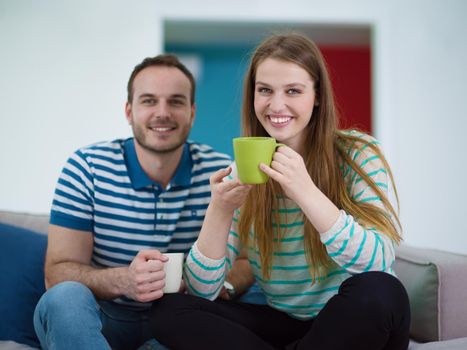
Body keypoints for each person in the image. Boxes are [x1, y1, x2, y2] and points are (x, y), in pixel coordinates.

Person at [149, 34, 411, 350]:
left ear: (316, 95)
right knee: (169, 311)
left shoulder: (358, 153)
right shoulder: (245, 170)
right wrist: (219, 209)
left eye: (293, 91)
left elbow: (377, 261)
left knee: (381, 290)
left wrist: (306, 192)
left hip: (349, 318)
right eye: (265, 91)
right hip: (287, 324)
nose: (276, 105)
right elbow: (203, 289)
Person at [33, 54, 237, 350]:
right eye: (149, 101)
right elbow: (57, 272)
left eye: (176, 101)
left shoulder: (222, 172)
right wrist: (124, 281)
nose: (162, 113)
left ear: (192, 112)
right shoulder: (86, 167)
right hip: (104, 319)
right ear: (129, 111)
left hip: (180, 322)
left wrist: (216, 284)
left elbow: (245, 262)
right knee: (64, 297)